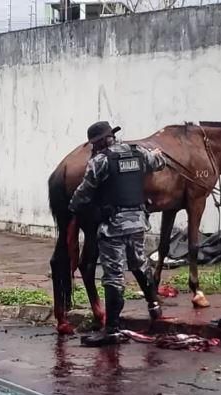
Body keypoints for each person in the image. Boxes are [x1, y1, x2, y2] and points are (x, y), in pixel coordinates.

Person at [68, 121, 166, 347]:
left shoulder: (100, 161)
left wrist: (73, 207)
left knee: (113, 276)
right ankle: (154, 306)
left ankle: (111, 330)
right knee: (140, 264)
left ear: (101, 141)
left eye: (94, 143)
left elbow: (85, 191)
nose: (93, 147)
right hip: (138, 222)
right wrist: (157, 153)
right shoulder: (138, 153)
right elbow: (158, 162)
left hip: (113, 227)